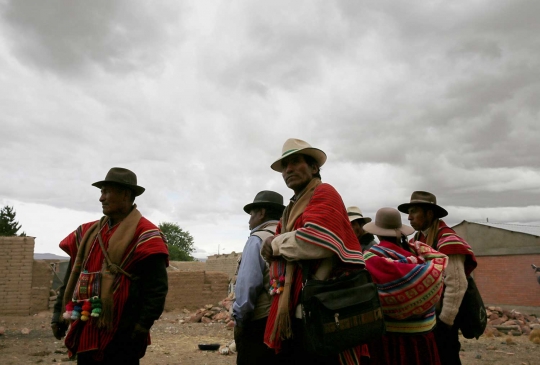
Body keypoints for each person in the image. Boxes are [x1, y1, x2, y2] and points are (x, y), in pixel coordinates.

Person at [260, 138, 367, 365]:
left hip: (323, 310)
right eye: (284, 166)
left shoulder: (324, 192)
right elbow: (270, 247)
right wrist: (273, 245)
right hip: (295, 310)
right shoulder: (290, 209)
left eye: (295, 162)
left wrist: (277, 244)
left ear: (314, 167)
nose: (288, 170)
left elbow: (317, 241)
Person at [50, 167, 169, 364]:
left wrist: (141, 326)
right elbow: (72, 274)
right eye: (101, 192)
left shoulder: (146, 235)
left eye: (106, 192)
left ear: (125, 194)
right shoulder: (88, 232)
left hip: (123, 333)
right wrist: (57, 314)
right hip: (86, 325)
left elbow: (157, 288)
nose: (101, 198)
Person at [398, 191, 477, 365]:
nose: (409, 217)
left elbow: (457, 284)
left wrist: (446, 322)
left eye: (414, 211)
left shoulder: (448, 240)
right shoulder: (418, 239)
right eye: (408, 212)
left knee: (447, 357)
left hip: (443, 319)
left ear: (429, 213)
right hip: (430, 317)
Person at [363, 207, 448, 365]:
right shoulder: (419, 256)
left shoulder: (370, 258)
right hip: (422, 336)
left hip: (389, 338)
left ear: (377, 233)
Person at [233, 190, 286, 365]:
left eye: (251, 215)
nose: (249, 221)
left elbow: (248, 286)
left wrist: (239, 321)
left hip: (260, 324)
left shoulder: (257, 239)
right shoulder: (287, 236)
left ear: (262, 213)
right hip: (286, 319)